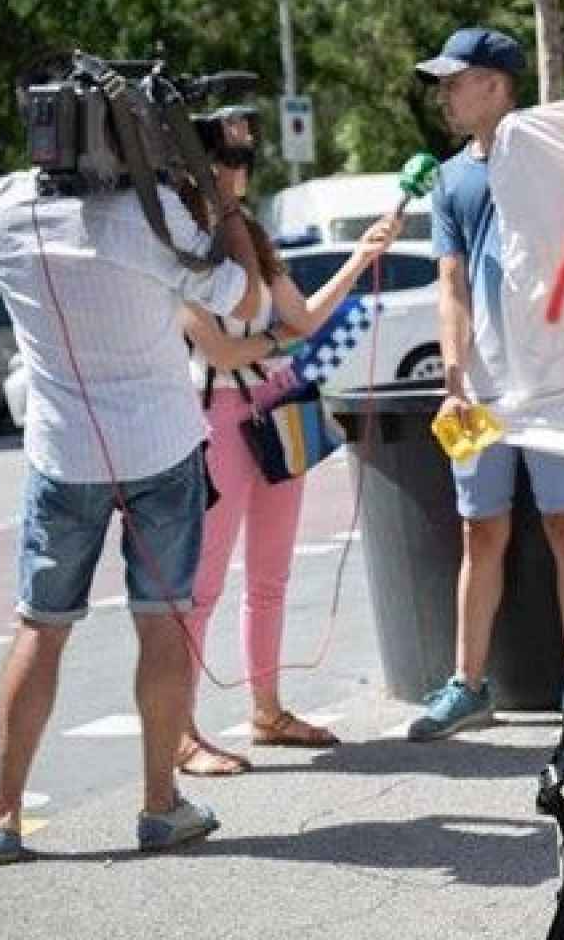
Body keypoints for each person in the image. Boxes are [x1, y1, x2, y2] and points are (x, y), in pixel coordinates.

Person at [0, 56, 267, 865]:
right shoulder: (152, 215)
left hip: (61, 453)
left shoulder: (0, 207)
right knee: (161, 624)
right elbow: (250, 304)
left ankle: (1, 815)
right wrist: (222, 207)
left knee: (41, 626)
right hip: (161, 447)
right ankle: (159, 805)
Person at [172, 110, 403, 776]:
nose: (239, 173)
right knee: (204, 583)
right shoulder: (179, 245)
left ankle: (267, 710)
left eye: (244, 162)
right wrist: (282, 342)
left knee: (270, 574)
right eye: (227, 160)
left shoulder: (253, 238)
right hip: (217, 413)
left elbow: (302, 316)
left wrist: (361, 258)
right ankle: (181, 728)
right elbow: (220, 343)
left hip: (275, 407)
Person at [405, 27, 564, 741]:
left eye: (457, 79)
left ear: (498, 85)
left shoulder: (550, 160)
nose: (445, 93)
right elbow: (450, 284)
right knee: (481, 532)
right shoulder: (451, 180)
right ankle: (467, 685)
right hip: (482, 387)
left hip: (556, 380)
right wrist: (455, 375)